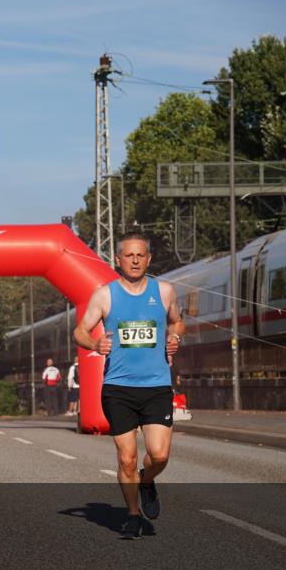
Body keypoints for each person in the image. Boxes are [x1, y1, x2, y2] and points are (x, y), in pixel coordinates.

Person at [74, 231, 183, 539]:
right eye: (129, 255)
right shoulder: (104, 295)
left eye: (140, 255)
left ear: (148, 259)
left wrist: (175, 336)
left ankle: (146, 481)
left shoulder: (164, 291)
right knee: (127, 458)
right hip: (118, 388)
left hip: (156, 386)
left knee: (159, 455)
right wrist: (95, 344)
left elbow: (177, 321)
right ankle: (133, 515)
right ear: (118, 260)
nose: (135, 260)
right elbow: (80, 331)